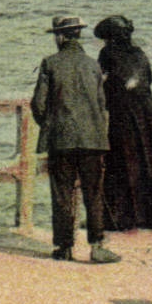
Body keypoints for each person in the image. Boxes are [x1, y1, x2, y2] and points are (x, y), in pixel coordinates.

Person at [32, 15, 120, 262]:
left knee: (62, 193)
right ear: (78, 35)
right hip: (93, 139)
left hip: (62, 140)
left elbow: (38, 104)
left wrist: (51, 125)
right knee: (93, 192)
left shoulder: (50, 63)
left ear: (59, 37)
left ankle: (65, 246)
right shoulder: (93, 65)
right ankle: (97, 246)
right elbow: (102, 104)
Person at [94, 15, 152, 231]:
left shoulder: (107, 54)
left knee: (124, 164)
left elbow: (102, 85)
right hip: (149, 114)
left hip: (124, 116)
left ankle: (124, 218)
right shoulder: (139, 53)